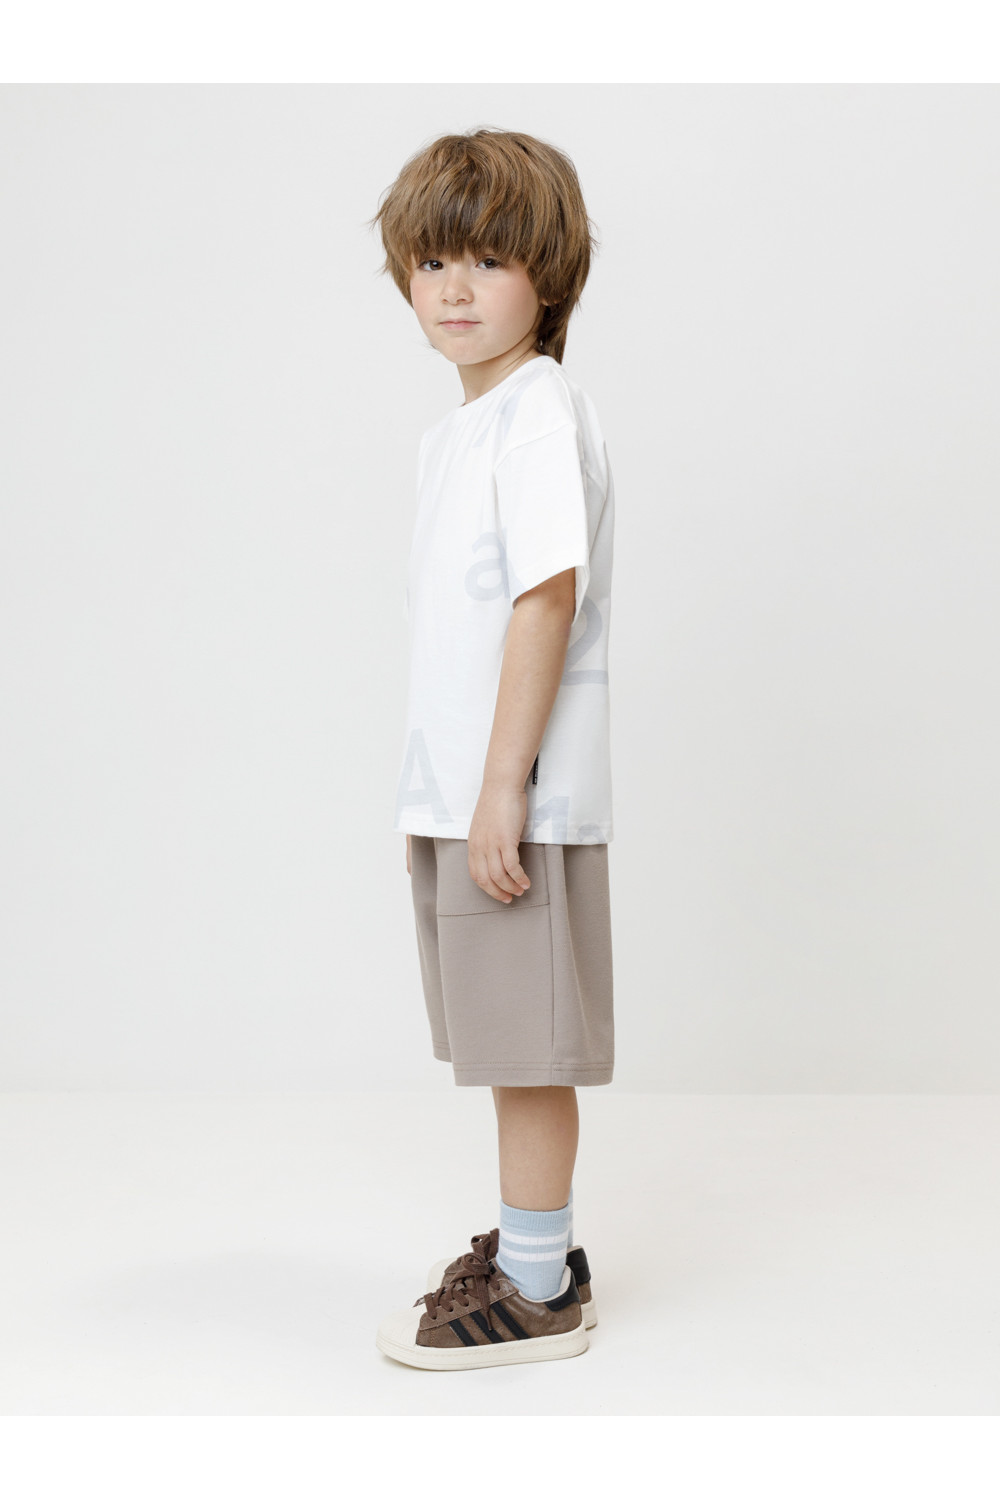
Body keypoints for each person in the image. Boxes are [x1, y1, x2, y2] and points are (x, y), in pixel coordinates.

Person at [367, 127, 615, 1370]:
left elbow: (545, 596)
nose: (454, 289)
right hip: (461, 793)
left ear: (547, 275)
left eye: (487, 260)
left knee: (524, 1050)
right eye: (431, 263)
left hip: (511, 799)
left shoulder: (535, 413)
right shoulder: (461, 430)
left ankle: (535, 1289)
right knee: (496, 1037)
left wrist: (502, 789)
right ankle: (534, 1249)